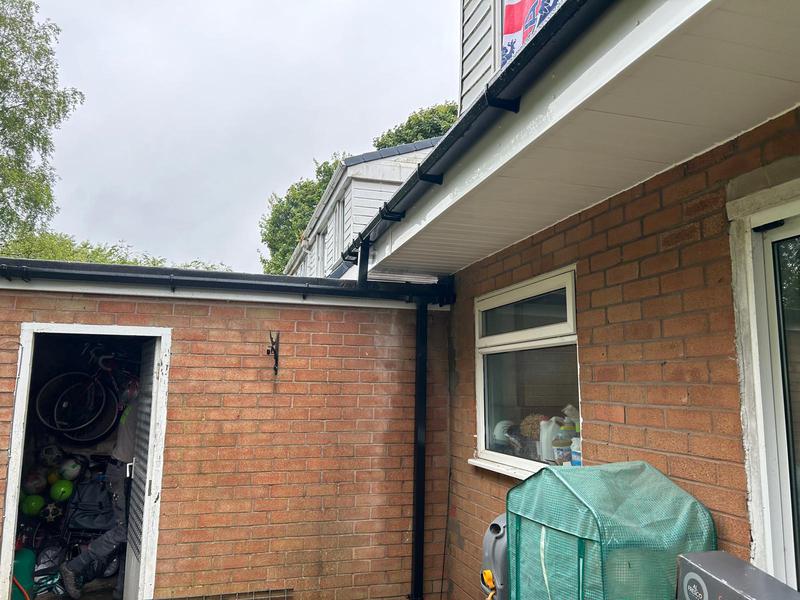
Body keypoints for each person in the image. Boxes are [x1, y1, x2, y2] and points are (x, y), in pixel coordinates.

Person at [60, 399, 139, 600]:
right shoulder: (145, 404)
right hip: (123, 473)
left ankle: (120, 592)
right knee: (126, 531)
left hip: (122, 470)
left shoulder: (136, 403)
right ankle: (73, 567)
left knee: (131, 538)